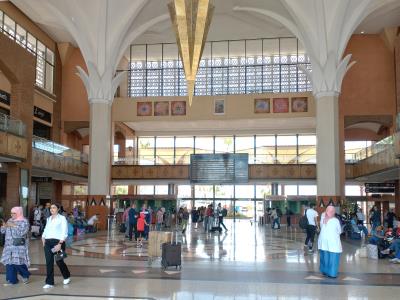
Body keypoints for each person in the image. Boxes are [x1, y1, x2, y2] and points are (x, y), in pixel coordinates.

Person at [41, 203, 71, 289]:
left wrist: (60, 244)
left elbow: (64, 232)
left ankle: (66, 276)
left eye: (54, 208)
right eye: (50, 208)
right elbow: (46, 229)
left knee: (59, 261)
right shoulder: (49, 219)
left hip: (58, 242)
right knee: (49, 262)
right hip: (48, 242)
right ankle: (49, 282)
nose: (52, 209)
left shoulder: (62, 218)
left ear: (58, 209)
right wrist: (43, 237)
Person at [0, 207, 31, 286]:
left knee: (18, 263)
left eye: (14, 213)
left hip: (18, 246)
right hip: (8, 246)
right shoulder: (10, 220)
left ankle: (25, 275)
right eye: (11, 213)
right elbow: (3, 231)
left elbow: (22, 232)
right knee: (9, 263)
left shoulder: (24, 221)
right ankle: (12, 280)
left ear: (19, 213)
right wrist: (4, 226)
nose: (12, 215)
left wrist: (14, 225)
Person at [318, 205, 342, 278]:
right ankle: (332, 273)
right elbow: (339, 231)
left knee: (324, 257)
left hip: (323, 241)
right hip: (333, 243)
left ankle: (324, 271)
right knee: (333, 258)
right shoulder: (335, 220)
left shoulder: (323, 219)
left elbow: (322, 227)